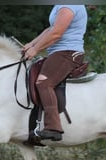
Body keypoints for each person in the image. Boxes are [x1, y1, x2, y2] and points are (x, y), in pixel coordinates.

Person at [23, 5, 87, 141]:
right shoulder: (59, 5)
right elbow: (50, 29)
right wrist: (32, 44)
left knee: (44, 83)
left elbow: (57, 33)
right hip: (57, 52)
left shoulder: (69, 5)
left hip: (68, 53)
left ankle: (53, 128)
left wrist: (36, 49)